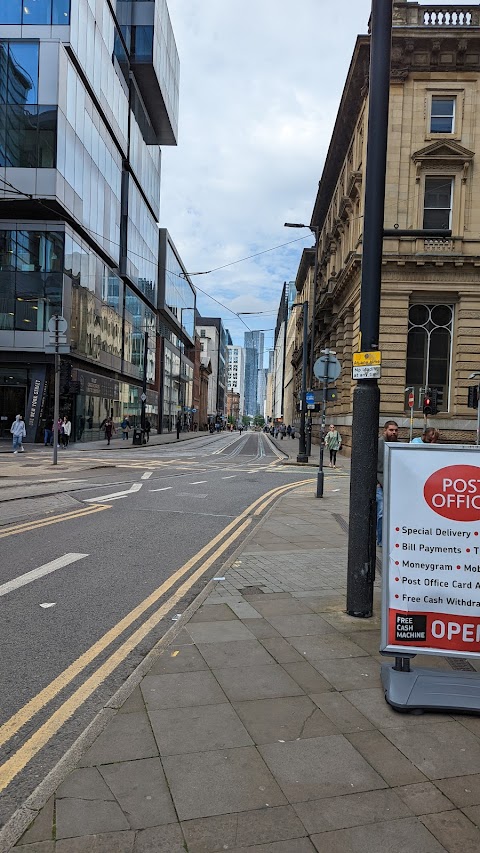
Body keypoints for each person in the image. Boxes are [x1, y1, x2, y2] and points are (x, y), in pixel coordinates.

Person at [377, 420, 399, 548]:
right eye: (391, 430)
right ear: (384, 430)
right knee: (381, 513)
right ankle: (380, 540)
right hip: (381, 484)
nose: (394, 432)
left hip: (395, 484)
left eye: (396, 430)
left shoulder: (399, 445)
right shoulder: (379, 444)